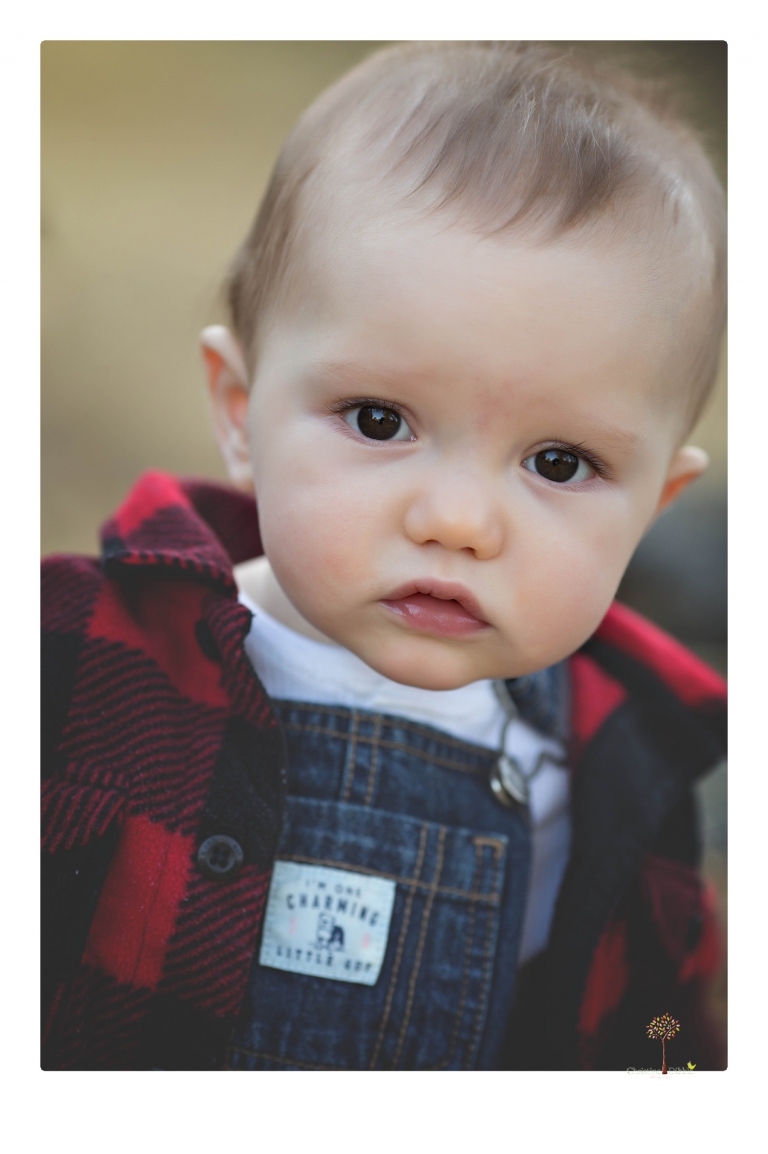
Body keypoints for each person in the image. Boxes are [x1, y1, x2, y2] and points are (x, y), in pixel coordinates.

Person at [41, 41, 727, 1071]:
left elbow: (665, 1047)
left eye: (558, 459)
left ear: (654, 504)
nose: (457, 520)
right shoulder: (79, 665)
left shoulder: (625, 781)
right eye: (377, 418)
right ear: (241, 410)